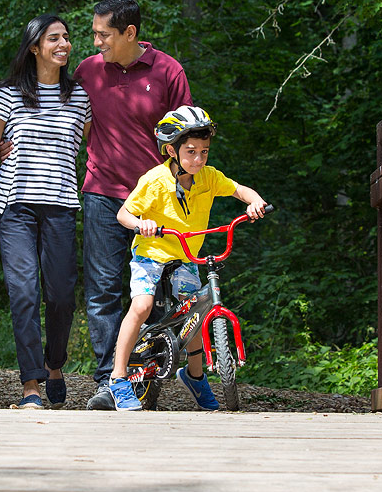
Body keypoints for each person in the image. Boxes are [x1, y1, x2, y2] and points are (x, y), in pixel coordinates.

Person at [106, 106, 268, 411]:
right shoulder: (155, 181)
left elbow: (239, 190)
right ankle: (118, 379)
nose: (198, 159)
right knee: (141, 306)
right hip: (151, 254)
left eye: (204, 151)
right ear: (172, 150)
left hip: (186, 256)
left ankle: (195, 377)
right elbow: (123, 213)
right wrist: (141, 223)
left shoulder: (208, 177)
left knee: (194, 312)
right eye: (191, 151)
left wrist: (254, 200)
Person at [74, 0, 193, 410]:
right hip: (102, 193)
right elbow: (61, 116)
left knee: (157, 291)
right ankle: (112, 380)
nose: (96, 42)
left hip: (156, 201)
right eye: (93, 33)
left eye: (103, 34)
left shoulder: (167, 71)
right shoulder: (87, 71)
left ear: (130, 33)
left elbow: (188, 141)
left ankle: (147, 376)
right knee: (103, 290)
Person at [0, 14, 91, 409]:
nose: (64, 44)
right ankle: (31, 386)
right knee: (23, 293)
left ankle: (54, 364)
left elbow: (96, 152)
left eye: (67, 38)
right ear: (34, 47)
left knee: (61, 297)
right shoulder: (7, 95)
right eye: (54, 38)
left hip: (61, 206)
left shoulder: (79, 96)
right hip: (14, 209)